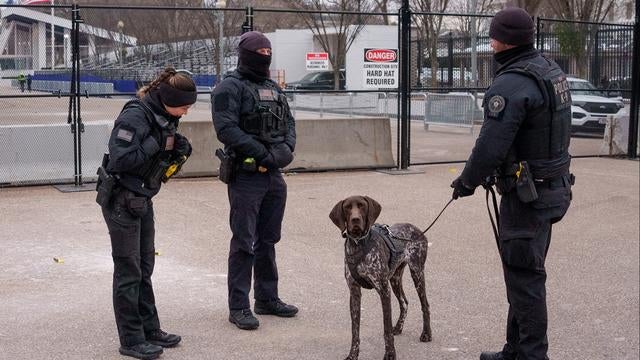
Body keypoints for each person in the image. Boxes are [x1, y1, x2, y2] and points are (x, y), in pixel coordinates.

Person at [450, 7, 573, 360]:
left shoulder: (510, 83)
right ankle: (515, 350)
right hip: (552, 189)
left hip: (527, 198)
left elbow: (489, 147)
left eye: (491, 37)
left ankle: (533, 355)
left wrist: (467, 182)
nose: (490, 44)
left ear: (500, 40)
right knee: (523, 276)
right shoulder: (550, 71)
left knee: (525, 280)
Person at [99, 67, 196, 359]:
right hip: (121, 200)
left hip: (141, 197)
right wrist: (160, 141)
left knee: (144, 267)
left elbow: (157, 154)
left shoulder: (165, 117)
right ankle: (131, 339)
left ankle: (149, 328)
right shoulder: (135, 116)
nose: (186, 113)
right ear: (167, 98)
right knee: (129, 271)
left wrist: (177, 146)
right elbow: (122, 158)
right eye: (183, 106)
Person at [211, 31, 298, 331]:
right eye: (258, 51)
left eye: (268, 51)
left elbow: (289, 124)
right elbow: (226, 129)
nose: (264, 55)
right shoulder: (228, 89)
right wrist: (263, 153)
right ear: (245, 54)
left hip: (274, 176)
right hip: (246, 176)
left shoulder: (274, 89)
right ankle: (239, 306)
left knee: (268, 241)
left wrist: (284, 152)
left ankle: (267, 298)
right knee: (243, 243)